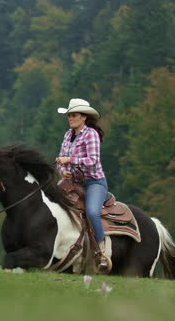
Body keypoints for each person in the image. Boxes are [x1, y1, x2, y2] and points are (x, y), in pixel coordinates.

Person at [54, 98, 107, 243]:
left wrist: (70, 159)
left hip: (93, 182)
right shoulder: (67, 135)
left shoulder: (91, 134)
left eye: (74, 115)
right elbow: (60, 161)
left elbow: (93, 162)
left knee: (92, 212)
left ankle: (101, 246)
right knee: (51, 204)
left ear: (84, 117)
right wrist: (63, 171)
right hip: (71, 182)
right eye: (69, 115)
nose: (70, 118)